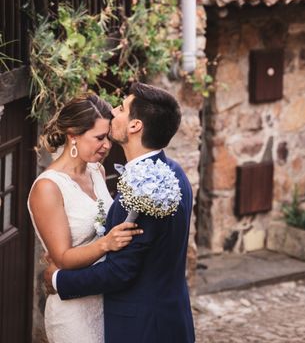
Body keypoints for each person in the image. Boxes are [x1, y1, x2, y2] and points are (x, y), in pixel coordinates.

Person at [44, 82, 195, 343]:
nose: (113, 111)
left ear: (136, 126)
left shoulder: (142, 193)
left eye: (122, 108)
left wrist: (59, 280)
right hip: (171, 315)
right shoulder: (174, 172)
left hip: (143, 327)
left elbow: (120, 271)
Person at [28, 94, 143, 343]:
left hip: (106, 299)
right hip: (73, 310)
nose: (107, 146)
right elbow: (62, 258)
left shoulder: (97, 171)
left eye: (108, 137)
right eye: (99, 138)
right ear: (73, 135)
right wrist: (106, 243)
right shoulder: (48, 187)